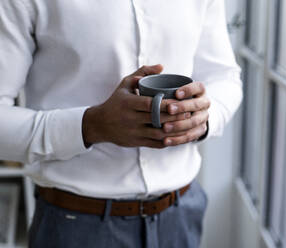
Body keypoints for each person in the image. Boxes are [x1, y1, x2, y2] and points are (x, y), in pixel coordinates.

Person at [0, 0, 242, 247]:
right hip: (75, 225)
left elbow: (223, 76)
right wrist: (91, 126)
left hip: (181, 216)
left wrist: (203, 119)